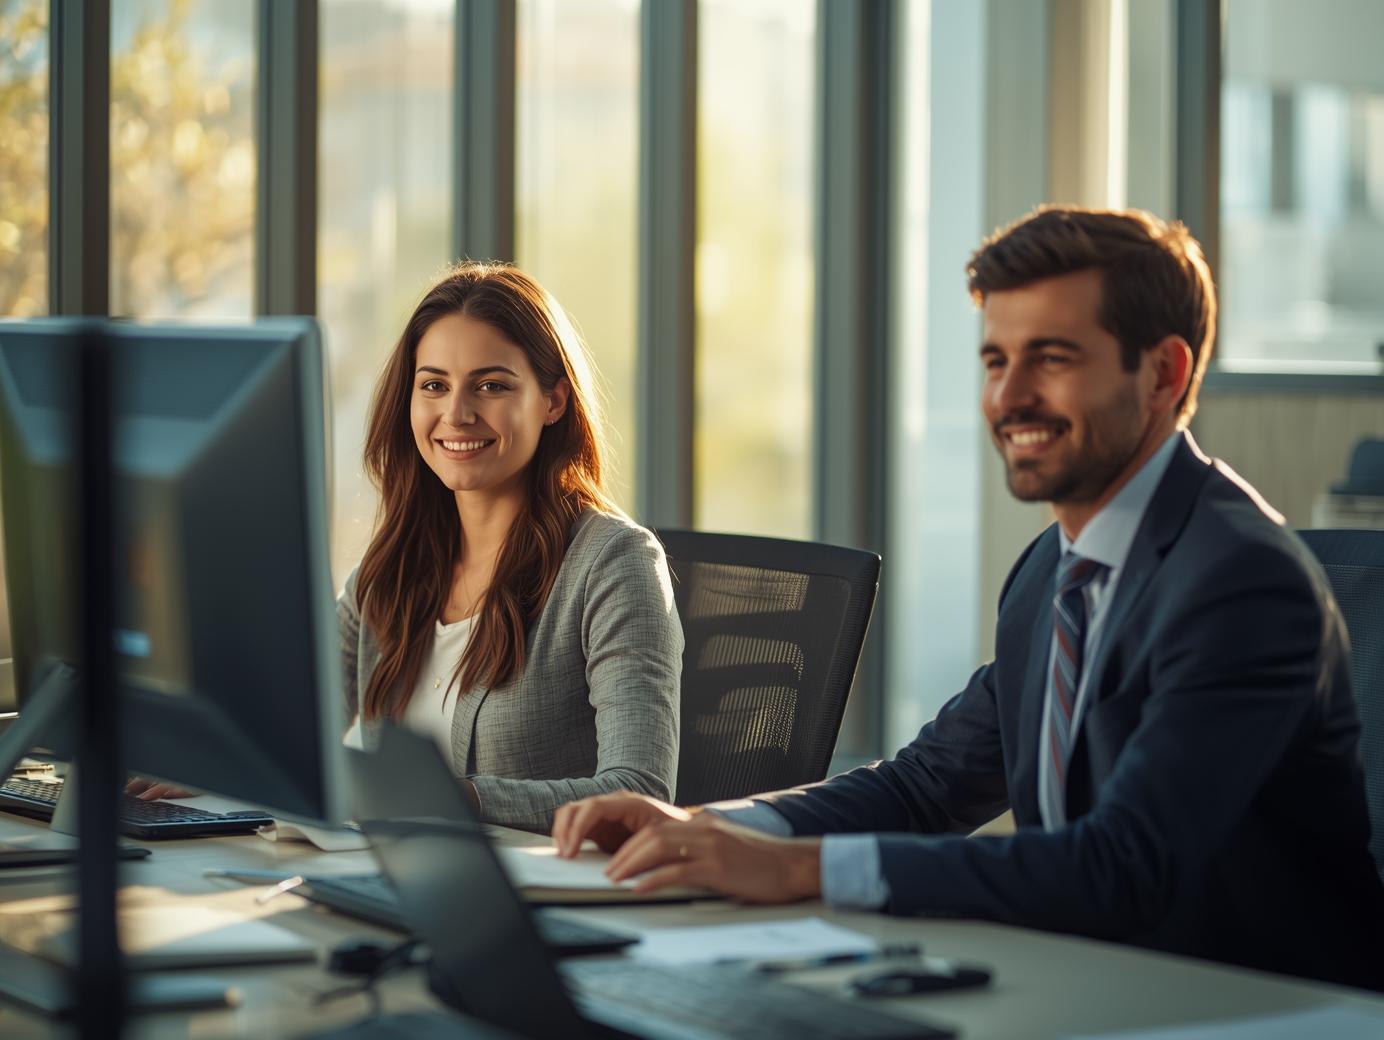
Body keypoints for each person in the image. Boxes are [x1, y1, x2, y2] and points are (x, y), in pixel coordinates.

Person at [553, 206, 1384, 990]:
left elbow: (1124, 866)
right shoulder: (1051, 571)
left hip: (1249, 1005)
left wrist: (796, 870)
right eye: (996, 360)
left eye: (1051, 359)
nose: (1009, 396)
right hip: (1087, 984)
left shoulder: (1240, 580)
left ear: (1163, 372)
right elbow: (927, 787)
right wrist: (712, 827)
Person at [333, 261, 682, 833]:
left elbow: (638, 788)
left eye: (491, 385)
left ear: (553, 402)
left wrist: (448, 800)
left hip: (547, 896)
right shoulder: (390, 571)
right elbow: (297, 730)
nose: (457, 413)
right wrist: (225, 770)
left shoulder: (614, 564)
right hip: (398, 877)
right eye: (434, 385)